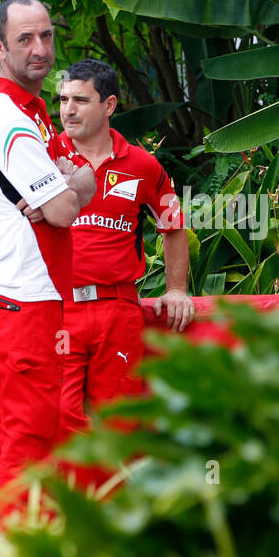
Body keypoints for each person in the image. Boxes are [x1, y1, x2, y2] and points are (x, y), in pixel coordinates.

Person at [0, 0, 94, 514]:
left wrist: (70, 187)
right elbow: (64, 209)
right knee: (30, 436)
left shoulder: (25, 110)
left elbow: (74, 187)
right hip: (23, 297)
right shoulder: (12, 121)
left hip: (16, 296)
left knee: (10, 432)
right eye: (25, 39)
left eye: (46, 36)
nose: (39, 49)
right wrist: (68, 190)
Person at [51, 59, 193, 472]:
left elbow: (173, 224)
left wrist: (177, 288)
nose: (68, 110)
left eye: (81, 100)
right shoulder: (45, 154)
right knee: (59, 416)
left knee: (123, 420)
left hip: (118, 309)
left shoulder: (142, 165)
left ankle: (115, 517)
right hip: (59, 308)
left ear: (109, 104)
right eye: (63, 100)